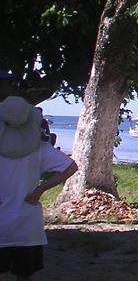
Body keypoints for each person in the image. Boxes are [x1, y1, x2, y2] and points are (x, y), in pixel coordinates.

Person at [1, 96, 78, 281]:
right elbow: (71, 167)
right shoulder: (39, 148)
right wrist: (40, 190)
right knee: (27, 275)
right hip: (28, 224)